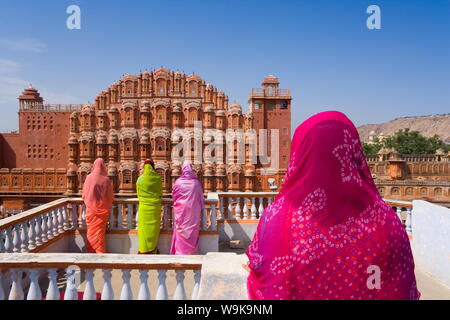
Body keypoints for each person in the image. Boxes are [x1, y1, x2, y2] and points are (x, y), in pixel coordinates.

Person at [246, 111, 420, 300]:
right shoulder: (386, 221)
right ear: (353, 152)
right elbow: (400, 288)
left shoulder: (277, 219)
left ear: (299, 153)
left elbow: (263, 276)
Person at [170, 161, 204, 255]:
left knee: (181, 231)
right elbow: (201, 197)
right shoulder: (196, 183)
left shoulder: (179, 182)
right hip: (193, 211)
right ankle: (191, 252)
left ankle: (180, 252)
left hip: (181, 210)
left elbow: (174, 195)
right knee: (192, 232)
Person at [82, 158, 114, 254]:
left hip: (91, 211)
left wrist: (90, 202)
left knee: (91, 233)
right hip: (102, 212)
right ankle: (100, 252)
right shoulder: (106, 180)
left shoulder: (89, 178)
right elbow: (110, 197)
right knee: (99, 234)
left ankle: (91, 252)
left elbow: (84, 194)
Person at [136, 158, 163, 254]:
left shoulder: (140, 179)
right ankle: (153, 249)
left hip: (144, 208)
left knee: (143, 230)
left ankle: (144, 250)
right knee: (153, 231)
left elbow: (138, 193)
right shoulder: (158, 178)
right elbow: (160, 192)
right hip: (155, 208)